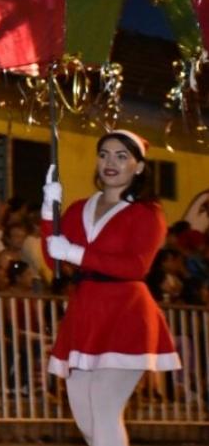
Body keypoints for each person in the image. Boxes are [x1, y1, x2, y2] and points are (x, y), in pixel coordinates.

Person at [42, 131, 181, 446]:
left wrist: (76, 253)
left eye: (121, 156)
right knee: (85, 416)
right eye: (104, 154)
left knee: (104, 407)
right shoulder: (80, 208)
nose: (110, 162)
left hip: (126, 314)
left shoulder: (147, 213)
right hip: (86, 313)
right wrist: (49, 214)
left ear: (139, 167)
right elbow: (55, 261)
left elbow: (136, 266)